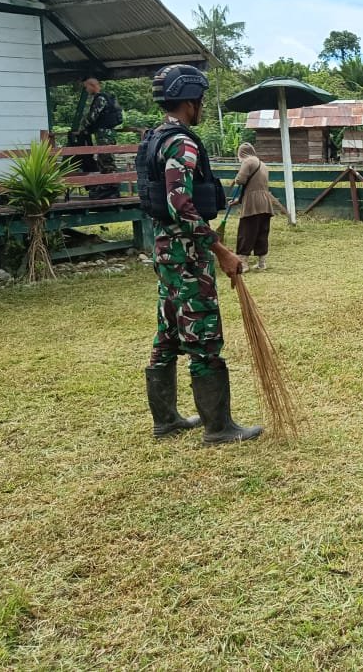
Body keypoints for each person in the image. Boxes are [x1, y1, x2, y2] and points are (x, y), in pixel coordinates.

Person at [137, 64, 263, 445]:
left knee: (168, 331)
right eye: (202, 99)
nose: (202, 105)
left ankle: (166, 419)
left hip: (164, 250)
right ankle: (218, 426)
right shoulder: (182, 143)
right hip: (188, 254)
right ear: (190, 101)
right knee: (203, 333)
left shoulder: (154, 137)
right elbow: (180, 203)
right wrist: (221, 250)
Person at [232, 142, 273, 271]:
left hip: (252, 204)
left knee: (246, 231)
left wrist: (236, 178)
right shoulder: (263, 164)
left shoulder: (248, 162)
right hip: (265, 202)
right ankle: (262, 263)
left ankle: (243, 264)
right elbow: (255, 185)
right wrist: (238, 201)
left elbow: (241, 180)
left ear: (241, 153)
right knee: (262, 231)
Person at [77, 76, 120, 199]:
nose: (86, 90)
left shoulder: (100, 98)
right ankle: (107, 187)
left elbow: (92, 116)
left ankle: (111, 187)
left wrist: (83, 128)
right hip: (104, 133)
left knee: (106, 159)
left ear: (92, 86)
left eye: (86, 87)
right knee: (103, 159)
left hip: (105, 134)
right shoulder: (104, 98)